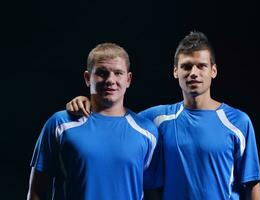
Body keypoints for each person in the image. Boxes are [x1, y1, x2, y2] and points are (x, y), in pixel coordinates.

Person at [66, 31, 260, 199]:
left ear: (213, 71)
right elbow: (114, 114)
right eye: (186, 66)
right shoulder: (156, 119)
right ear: (176, 71)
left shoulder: (238, 122)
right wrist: (86, 101)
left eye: (201, 66)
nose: (193, 73)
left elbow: (251, 184)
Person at [27, 43, 162, 200]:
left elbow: (152, 191)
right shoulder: (60, 124)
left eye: (118, 73)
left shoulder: (147, 131)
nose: (110, 80)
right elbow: (36, 191)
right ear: (87, 78)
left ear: (128, 79)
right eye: (102, 73)